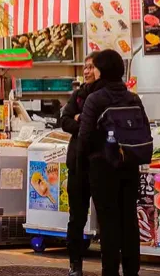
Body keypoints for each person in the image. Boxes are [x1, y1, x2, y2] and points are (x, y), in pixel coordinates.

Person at [78, 49, 147, 276]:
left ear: (102, 71)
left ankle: (110, 272)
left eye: (95, 67)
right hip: (129, 168)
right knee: (129, 222)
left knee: (108, 225)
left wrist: (82, 169)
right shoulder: (133, 98)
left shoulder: (94, 99)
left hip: (103, 170)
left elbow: (85, 138)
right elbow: (144, 130)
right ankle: (131, 272)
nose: (93, 71)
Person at [60, 53, 98, 276]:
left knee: (106, 215)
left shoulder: (104, 95)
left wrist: (80, 119)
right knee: (76, 217)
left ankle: (110, 262)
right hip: (77, 163)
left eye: (91, 67)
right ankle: (75, 263)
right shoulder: (78, 94)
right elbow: (64, 121)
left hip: (101, 165)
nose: (86, 71)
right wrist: (78, 121)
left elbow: (96, 124)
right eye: (85, 67)